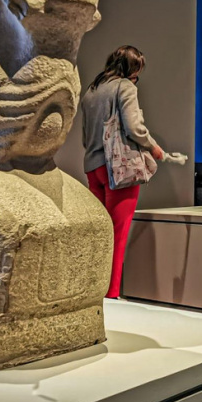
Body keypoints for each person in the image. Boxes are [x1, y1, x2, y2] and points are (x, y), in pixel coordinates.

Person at [81, 46, 164, 299]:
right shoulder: (125, 87)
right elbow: (134, 128)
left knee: (99, 233)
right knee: (118, 232)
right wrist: (154, 147)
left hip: (93, 166)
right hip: (118, 167)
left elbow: (86, 135)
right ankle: (111, 292)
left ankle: (91, 290)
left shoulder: (92, 90)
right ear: (132, 68)